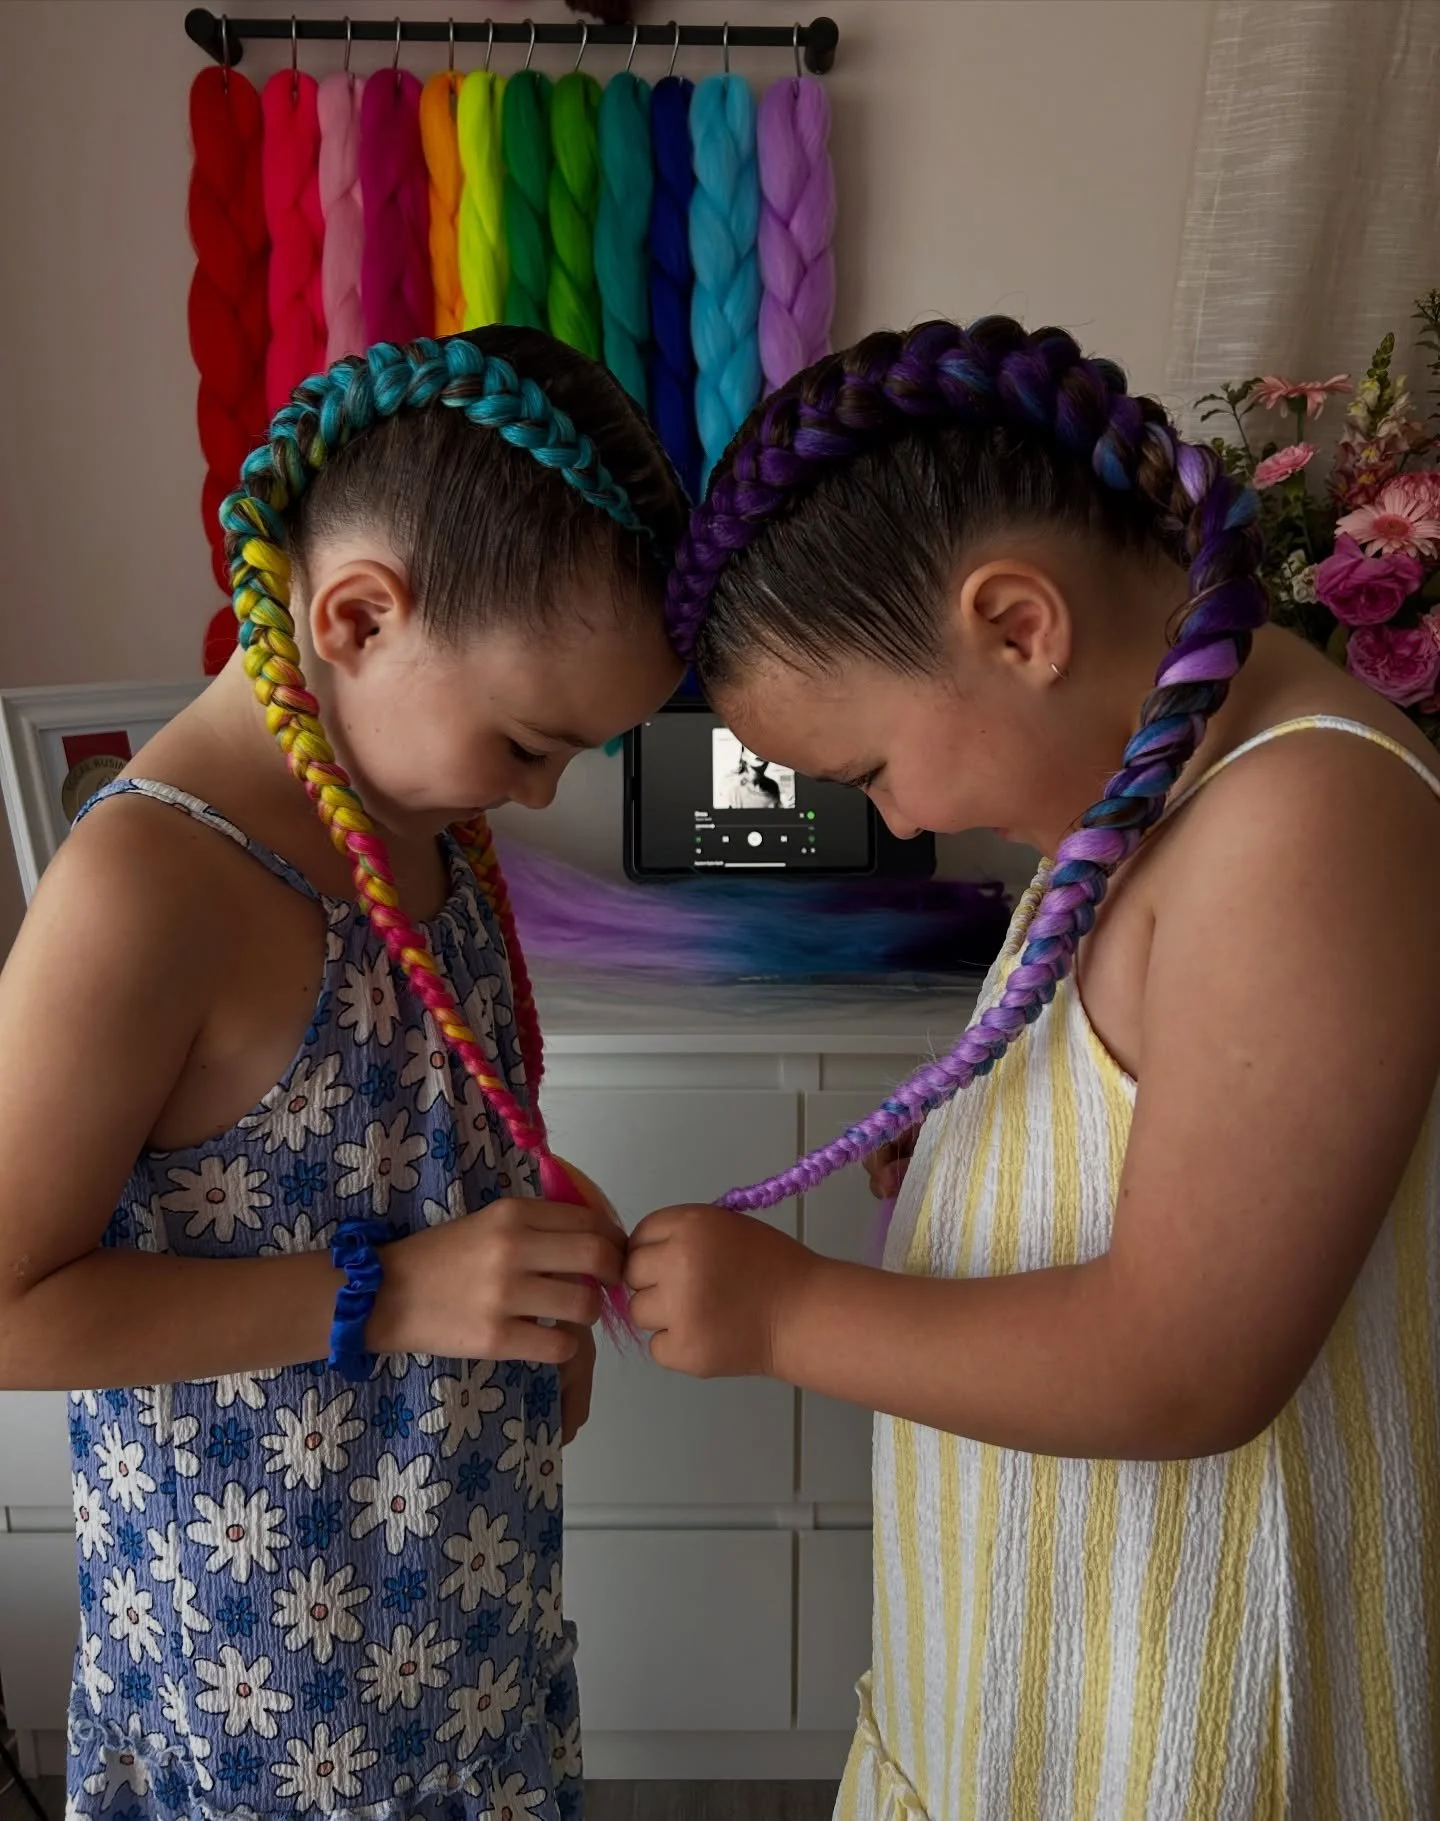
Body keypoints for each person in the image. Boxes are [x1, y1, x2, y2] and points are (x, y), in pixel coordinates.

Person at [625, 317, 1440, 1817]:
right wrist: (979, 1153)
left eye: (868, 773)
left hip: (1186, 1709)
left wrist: (787, 1308)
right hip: (1052, 1663)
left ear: (1017, 625)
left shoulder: (1301, 823)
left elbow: (1187, 1363)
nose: (903, 822)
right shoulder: (1149, 791)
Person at [0, 328, 685, 1821]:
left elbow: (391, 1138)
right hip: (271, 1722)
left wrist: (535, 1240)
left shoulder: (427, 826)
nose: (541, 792)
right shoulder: (148, 892)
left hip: (469, 1648)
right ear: (361, 617)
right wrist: (404, 1292)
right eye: (527, 742)